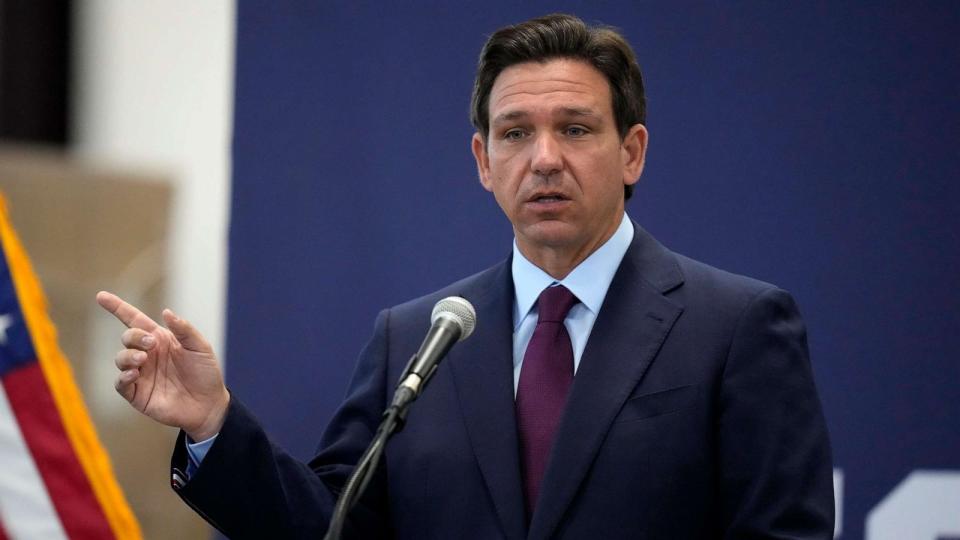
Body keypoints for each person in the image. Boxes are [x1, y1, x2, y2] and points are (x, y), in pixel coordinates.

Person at [97, 13, 834, 539]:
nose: (544, 157)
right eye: (516, 133)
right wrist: (212, 421)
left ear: (632, 152)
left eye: (575, 128)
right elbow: (331, 527)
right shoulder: (416, 338)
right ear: (483, 162)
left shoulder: (736, 327)